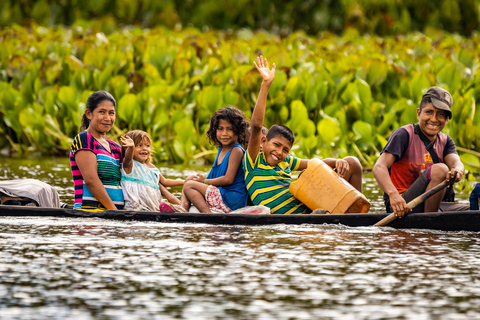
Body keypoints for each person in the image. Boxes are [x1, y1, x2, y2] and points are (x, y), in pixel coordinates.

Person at [244, 56, 363, 214]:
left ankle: (358, 213)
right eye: (276, 145)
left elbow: (317, 165)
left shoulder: (286, 161)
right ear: (264, 141)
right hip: (297, 220)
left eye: (285, 150)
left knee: (352, 162)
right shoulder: (253, 162)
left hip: (308, 209)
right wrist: (265, 85)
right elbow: (257, 125)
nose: (280, 153)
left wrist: (337, 161)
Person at [373, 86, 467, 217]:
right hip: (403, 204)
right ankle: (430, 227)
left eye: (440, 114)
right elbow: (379, 167)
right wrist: (393, 195)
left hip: (437, 204)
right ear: (419, 113)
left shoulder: (446, 141)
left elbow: (456, 163)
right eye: (429, 112)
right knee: (440, 170)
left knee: (475, 207)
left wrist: (458, 171)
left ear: (446, 120)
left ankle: (433, 218)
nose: (434, 119)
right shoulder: (403, 135)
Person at [181, 106, 249, 213]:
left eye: (230, 129)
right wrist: (200, 180)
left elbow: (228, 179)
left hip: (231, 199)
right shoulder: (221, 149)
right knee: (189, 180)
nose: (224, 133)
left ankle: (207, 215)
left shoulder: (236, 151)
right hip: (221, 194)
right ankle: (182, 210)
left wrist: (204, 181)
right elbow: (213, 176)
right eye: (220, 129)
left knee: (189, 185)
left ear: (238, 131)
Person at [70, 91, 124, 211]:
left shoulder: (115, 146)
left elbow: (131, 173)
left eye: (111, 113)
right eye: (102, 112)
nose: (107, 118)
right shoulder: (84, 139)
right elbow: (90, 180)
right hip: (89, 213)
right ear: (89, 114)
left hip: (113, 217)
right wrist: (114, 211)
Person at [120, 130, 184, 211]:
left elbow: (165, 182)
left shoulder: (152, 167)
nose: (144, 149)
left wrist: (183, 182)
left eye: (147, 146)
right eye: (139, 145)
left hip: (153, 207)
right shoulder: (129, 165)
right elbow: (128, 157)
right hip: (135, 207)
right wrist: (131, 147)